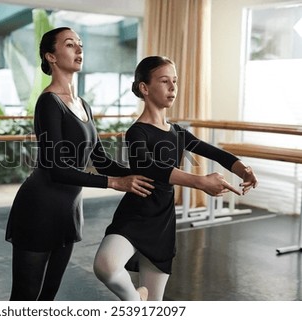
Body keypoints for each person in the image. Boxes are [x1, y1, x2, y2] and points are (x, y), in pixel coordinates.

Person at [5, 27, 155, 301]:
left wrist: (138, 175)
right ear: (51, 56)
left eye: (80, 45)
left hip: (67, 212)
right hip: (38, 210)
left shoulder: (82, 104)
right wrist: (115, 183)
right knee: (25, 299)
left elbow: (99, 159)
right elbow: (56, 167)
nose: (79, 50)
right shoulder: (48, 103)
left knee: (48, 294)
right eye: (70, 45)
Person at [93, 56, 258, 301]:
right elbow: (149, 166)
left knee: (156, 304)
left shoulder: (178, 132)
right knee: (105, 265)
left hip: (162, 221)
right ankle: (135, 299)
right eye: (164, 81)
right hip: (134, 215)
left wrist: (242, 168)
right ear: (144, 88)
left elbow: (213, 152)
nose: (172, 88)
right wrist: (200, 181)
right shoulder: (136, 132)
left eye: (175, 81)